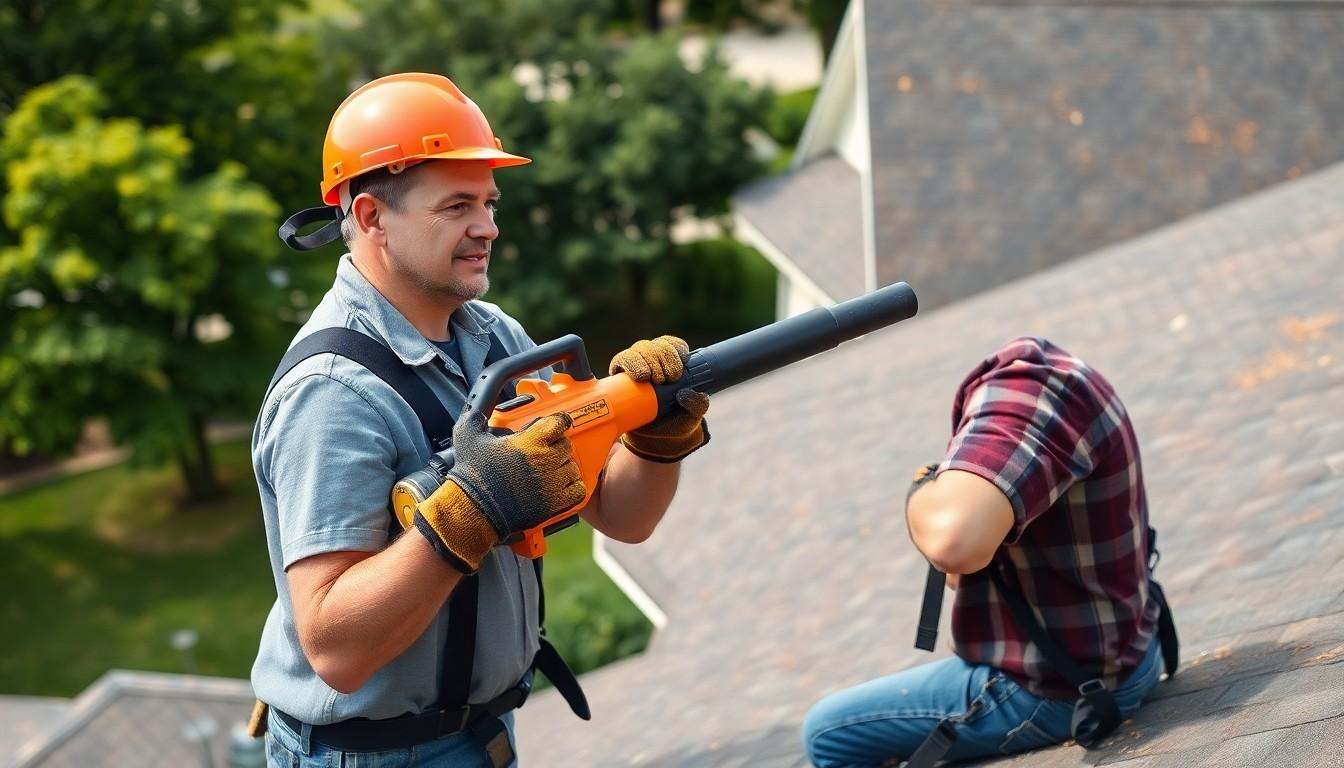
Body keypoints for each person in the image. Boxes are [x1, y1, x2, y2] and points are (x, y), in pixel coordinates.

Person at [249, 72, 711, 767]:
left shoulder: (493, 339)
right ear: (371, 217)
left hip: (476, 733)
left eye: (489, 203)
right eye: (458, 205)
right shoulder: (334, 394)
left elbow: (622, 515)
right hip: (374, 755)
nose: (488, 227)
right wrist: (472, 511)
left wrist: (656, 439)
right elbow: (336, 649)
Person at [802, 337, 1175, 767]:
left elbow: (953, 547)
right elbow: (964, 572)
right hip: (1133, 651)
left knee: (827, 732)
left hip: (1069, 687)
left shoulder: (1021, 400)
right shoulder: (1064, 385)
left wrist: (920, 494)